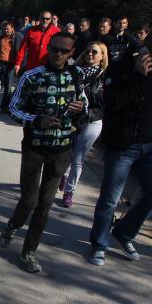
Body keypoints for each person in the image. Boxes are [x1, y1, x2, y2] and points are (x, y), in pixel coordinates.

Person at [0, 32, 87, 273]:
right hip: (34, 148)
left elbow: (87, 106)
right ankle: (12, 226)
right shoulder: (32, 76)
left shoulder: (77, 76)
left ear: (71, 53)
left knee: (45, 205)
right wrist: (37, 120)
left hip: (62, 150)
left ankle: (29, 251)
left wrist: (81, 109)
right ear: (48, 48)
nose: (58, 54)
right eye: (54, 49)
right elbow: (12, 108)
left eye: (64, 51)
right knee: (29, 200)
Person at [87, 28, 152, 266]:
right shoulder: (122, 68)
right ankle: (99, 244)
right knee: (109, 200)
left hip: (151, 147)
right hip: (122, 145)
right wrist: (137, 76)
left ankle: (124, 232)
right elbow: (113, 103)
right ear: (146, 48)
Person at [58, 41, 109, 207]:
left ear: (102, 56)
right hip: (73, 118)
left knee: (79, 156)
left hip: (93, 120)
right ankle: (64, 176)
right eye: (88, 51)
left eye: (95, 52)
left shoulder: (106, 76)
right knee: (67, 151)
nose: (90, 55)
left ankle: (69, 192)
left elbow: (106, 101)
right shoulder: (74, 71)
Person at [13, 11, 61, 75]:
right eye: (43, 18)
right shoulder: (31, 31)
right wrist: (18, 64)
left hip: (49, 68)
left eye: (47, 19)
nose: (45, 20)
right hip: (32, 67)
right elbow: (22, 48)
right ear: (39, 19)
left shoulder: (57, 31)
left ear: (50, 20)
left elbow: (61, 50)